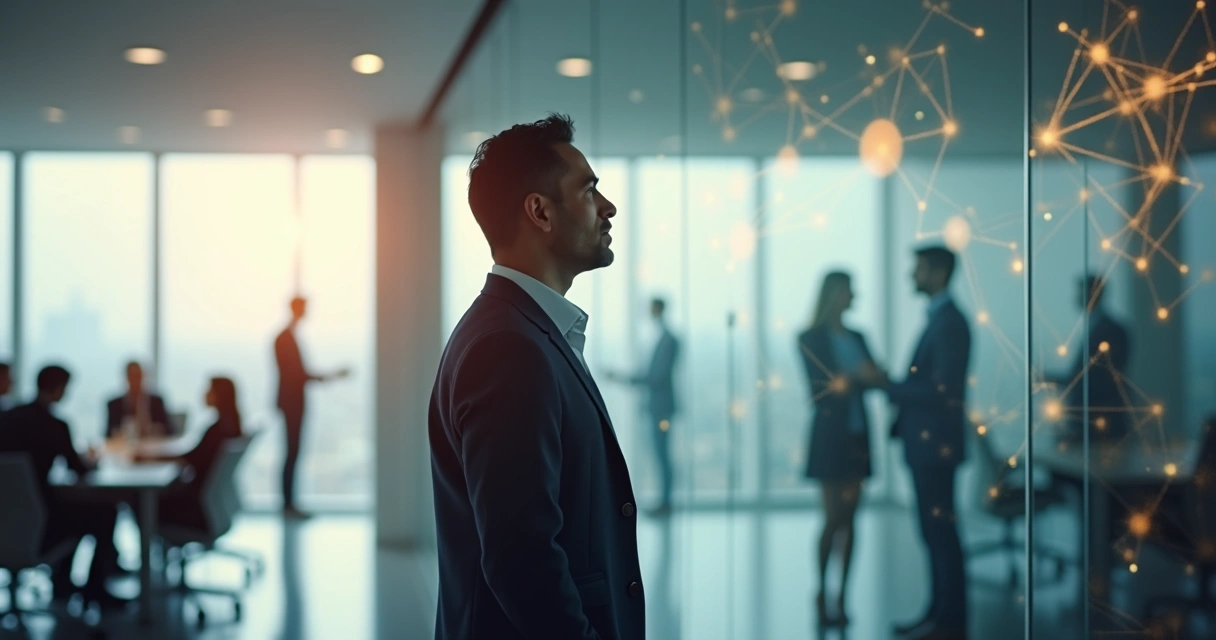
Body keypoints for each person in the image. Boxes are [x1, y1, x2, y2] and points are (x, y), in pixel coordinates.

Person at [429, 114, 643, 640]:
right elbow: (522, 560)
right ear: (540, 211)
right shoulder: (509, 348)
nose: (609, 207)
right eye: (589, 190)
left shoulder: (518, 331)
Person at [864, 246, 971, 640]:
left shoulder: (949, 323)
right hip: (930, 445)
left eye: (919, 269)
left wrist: (886, 384)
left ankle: (949, 621)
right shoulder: (942, 320)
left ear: (938, 273)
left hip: (934, 447)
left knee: (940, 535)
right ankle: (939, 615)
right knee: (934, 534)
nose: (913, 276)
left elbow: (941, 390)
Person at [0, 365, 127, 607]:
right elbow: (78, 469)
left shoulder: (6, 418)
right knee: (104, 513)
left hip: (5, 521)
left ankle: (62, 582)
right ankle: (94, 590)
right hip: (40, 522)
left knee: (73, 511)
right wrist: (92, 461)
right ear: (60, 388)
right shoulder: (55, 425)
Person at [797, 271, 879, 628]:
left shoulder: (859, 336)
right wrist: (858, 376)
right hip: (830, 439)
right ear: (833, 294)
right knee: (833, 518)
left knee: (851, 520)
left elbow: (875, 377)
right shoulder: (810, 337)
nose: (853, 296)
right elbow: (820, 389)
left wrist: (855, 378)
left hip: (857, 437)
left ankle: (842, 595)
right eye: (848, 290)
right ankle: (821, 591)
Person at [136, 377, 244, 531]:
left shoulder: (218, 430)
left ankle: (147, 540)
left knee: (138, 497)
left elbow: (190, 458)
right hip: (210, 505)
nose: (204, 393)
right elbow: (193, 457)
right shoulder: (229, 427)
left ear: (220, 395)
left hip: (195, 508)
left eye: (209, 390)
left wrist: (151, 457)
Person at [274, 296, 348, 519]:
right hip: (291, 404)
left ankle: (289, 504)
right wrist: (329, 376)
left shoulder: (288, 336)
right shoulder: (285, 338)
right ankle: (287, 505)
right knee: (292, 452)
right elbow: (296, 375)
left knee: (293, 452)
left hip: (292, 403)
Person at [606, 297, 680, 514]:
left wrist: (622, 378)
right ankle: (665, 501)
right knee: (661, 454)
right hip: (659, 408)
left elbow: (656, 377)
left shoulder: (668, 340)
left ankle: (666, 502)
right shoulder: (664, 339)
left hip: (661, 409)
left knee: (662, 455)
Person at [1060, 274, 1131, 443]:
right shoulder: (1099, 327)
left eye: (1080, 292)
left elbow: (1096, 377)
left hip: (1099, 424)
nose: (1076, 297)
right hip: (1094, 422)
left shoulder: (1109, 330)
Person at [105, 361, 172, 439]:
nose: (135, 380)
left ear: (143, 376)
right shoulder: (114, 405)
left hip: (153, 444)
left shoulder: (157, 402)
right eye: (132, 376)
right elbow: (108, 434)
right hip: (124, 445)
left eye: (138, 376)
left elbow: (170, 430)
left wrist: (151, 429)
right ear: (127, 377)